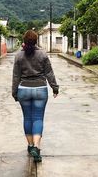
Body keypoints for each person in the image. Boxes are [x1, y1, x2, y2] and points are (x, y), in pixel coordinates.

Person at [12, 30, 59, 163]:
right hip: (40, 90)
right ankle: (37, 147)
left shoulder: (19, 56)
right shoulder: (43, 54)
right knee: (38, 118)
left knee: (27, 118)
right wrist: (55, 87)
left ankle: (31, 145)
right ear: (36, 41)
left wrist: (14, 92)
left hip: (24, 90)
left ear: (24, 41)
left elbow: (16, 76)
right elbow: (49, 73)